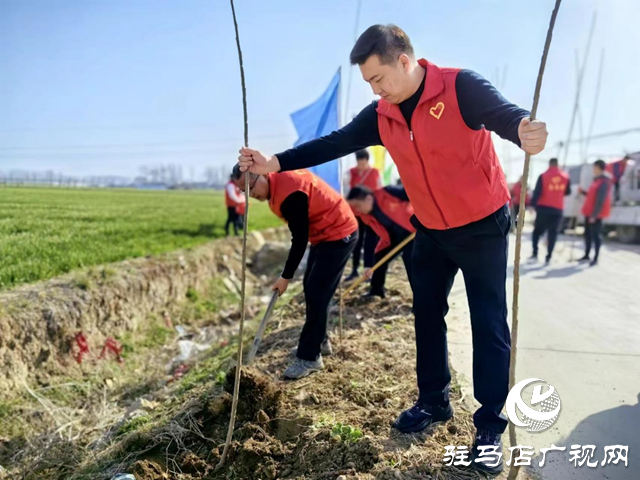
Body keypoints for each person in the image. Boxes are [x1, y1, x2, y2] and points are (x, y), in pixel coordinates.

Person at [237, 24, 548, 474]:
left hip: (483, 226)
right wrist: (276, 162)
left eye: (378, 78)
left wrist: (523, 129)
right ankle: (433, 400)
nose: (375, 89)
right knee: (425, 314)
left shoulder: (460, 86)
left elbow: (504, 115)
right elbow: (335, 142)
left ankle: (488, 427)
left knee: (488, 323)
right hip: (432, 232)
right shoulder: (383, 114)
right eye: (368, 83)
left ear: (404, 62)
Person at [231, 165, 358, 379]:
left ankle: (309, 358)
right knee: (312, 289)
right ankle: (320, 341)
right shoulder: (276, 184)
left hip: (338, 233)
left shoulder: (290, 194)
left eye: (250, 187)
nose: (250, 194)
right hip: (323, 235)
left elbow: (299, 240)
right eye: (244, 191)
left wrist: (285, 277)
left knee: (318, 294)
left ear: (261, 175)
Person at [347, 185, 415, 298]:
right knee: (379, 257)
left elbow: (415, 195)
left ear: (368, 198)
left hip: (413, 232)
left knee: (410, 260)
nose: (358, 210)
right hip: (393, 238)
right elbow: (369, 238)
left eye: (358, 205)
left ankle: (420, 299)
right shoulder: (366, 215)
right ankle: (376, 290)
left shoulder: (388, 192)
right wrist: (368, 265)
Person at [346, 149, 382, 281]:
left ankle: (371, 269)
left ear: (367, 161)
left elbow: (380, 191)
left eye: (363, 162)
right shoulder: (350, 173)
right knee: (356, 240)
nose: (360, 165)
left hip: (370, 212)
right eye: (359, 163)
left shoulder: (375, 173)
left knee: (371, 241)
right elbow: (346, 192)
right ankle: (354, 269)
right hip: (355, 213)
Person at [530, 158, 570, 264]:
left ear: (549, 164)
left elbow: (537, 192)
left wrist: (533, 205)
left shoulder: (543, 176)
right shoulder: (565, 177)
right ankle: (549, 256)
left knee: (537, 232)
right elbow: (567, 192)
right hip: (557, 209)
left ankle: (535, 253)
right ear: (558, 164)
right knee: (553, 233)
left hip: (543, 208)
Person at [578, 160, 612, 266]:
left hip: (596, 214)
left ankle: (596, 258)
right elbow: (591, 196)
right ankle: (586, 255)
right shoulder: (596, 180)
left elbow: (600, 200)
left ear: (598, 167)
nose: (593, 169)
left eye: (594, 167)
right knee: (587, 234)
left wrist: (594, 215)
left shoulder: (604, 181)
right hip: (589, 212)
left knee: (596, 236)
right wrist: (583, 192)